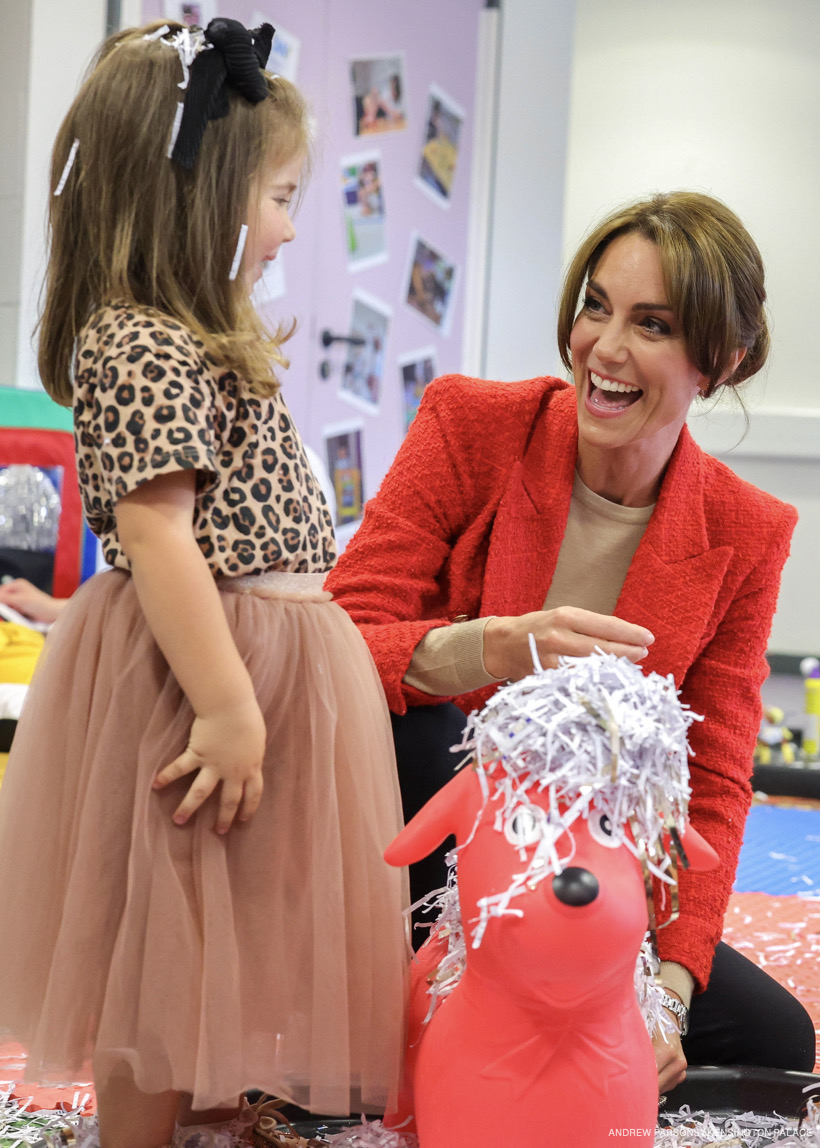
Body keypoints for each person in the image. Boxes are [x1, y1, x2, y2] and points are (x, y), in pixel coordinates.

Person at [0, 19, 406, 1148]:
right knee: (160, 935)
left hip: (255, 665)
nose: (288, 224)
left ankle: (216, 1110)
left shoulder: (196, 333)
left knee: (234, 917)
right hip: (195, 679)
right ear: (201, 198)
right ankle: (138, 1128)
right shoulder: (135, 341)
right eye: (277, 196)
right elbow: (159, 532)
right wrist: (228, 703)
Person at [326, 191, 815, 1094]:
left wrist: (665, 998)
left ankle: (503, 1006)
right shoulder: (471, 423)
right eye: (597, 306)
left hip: (578, 876)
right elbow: (340, 638)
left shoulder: (749, 530)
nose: (606, 349)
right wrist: (499, 648)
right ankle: (432, 986)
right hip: (421, 838)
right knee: (428, 731)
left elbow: (711, 780)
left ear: (723, 360)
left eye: (652, 325)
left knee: (777, 1038)